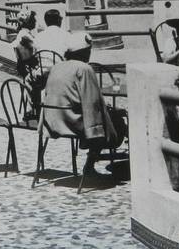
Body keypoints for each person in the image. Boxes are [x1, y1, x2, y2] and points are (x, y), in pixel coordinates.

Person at [42, 31, 126, 176]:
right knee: (116, 121)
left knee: (108, 118)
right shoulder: (84, 68)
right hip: (72, 121)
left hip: (52, 120)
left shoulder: (57, 66)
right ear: (84, 52)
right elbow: (92, 101)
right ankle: (90, 165)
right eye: (89, 51)